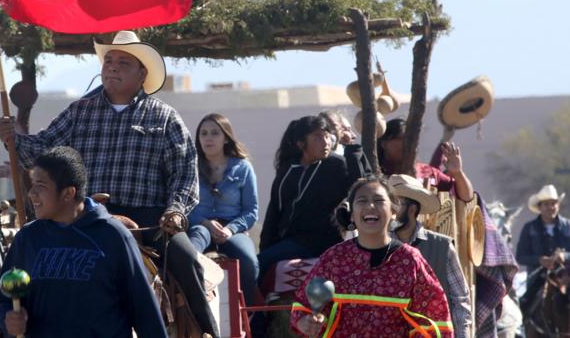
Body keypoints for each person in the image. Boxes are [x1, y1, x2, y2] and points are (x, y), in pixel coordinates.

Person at [0, 30, 217, 336]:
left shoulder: (165, 118)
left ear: (142, 74)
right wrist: (14, 139)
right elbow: (43, 150)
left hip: (150, 220)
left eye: (123, 62)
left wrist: (176, 211)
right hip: (88, 215)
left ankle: (207, 330)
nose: (112, 66)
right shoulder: (78, 112)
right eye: (109, 60)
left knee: (186, 259)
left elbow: (184, 173)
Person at [0, 146, 167, 338]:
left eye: (40, 186)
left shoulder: (114, 236)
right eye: (32, 185)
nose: (31, 193)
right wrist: (8, 320)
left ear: (68, 193)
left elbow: (144, 311)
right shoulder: (28, 238)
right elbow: (4, 298)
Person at [292, 176, 453, 337]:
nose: (370, 206)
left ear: (393, 213)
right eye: (362, 201)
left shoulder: (410, 260)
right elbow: (304, 306)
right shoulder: (334, 258)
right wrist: (306, 322)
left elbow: (434, 319)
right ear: (352, 215)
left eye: (378, 200)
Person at [258, 116, 361, 276]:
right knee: (256, 264)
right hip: (289, 241)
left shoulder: (336, 165)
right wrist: (266, 248)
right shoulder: (287, 170)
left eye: (327, 136)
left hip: (322, 241)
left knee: (260, 263)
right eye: (318, 137)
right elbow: (274, 212)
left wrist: (352, 149)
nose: (326, 141)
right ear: (301, 143)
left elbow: (359, 186)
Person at [187, 113, 259, 305]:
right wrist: (204, 223)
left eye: (214, 133)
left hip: (232, 228)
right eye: (203, 133)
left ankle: (249, 313)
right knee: (188, 253)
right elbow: (183, 205)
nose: (208, 138)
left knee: (249, 261)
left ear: (226, 137)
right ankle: (191, 305)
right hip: (200, 224)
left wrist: (230, 229)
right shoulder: (189, 167)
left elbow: (251, 211)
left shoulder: (243, 168)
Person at [389, 174, 472, 338]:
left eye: (396, 204)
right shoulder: (379, 246)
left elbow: (459, 300)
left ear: (412, 209)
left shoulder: (442, 247)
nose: (390, 211)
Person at [377, 118, 474, 202]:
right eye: (402, 138)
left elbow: (466, 197)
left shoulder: (429, 173)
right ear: (384, 144)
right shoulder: (374, 174)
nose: (408, 143)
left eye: (411, 139)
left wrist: (458, 173)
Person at [516, 184, 570, 314]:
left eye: (553, 203)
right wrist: (540, 260)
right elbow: (520, 256)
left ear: (558, 205)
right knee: (525, 304)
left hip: (566, 276)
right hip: (538, 278)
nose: (550, 207)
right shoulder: (529, 228)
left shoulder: (568, 226)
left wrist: (565, 256)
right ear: (539, 207)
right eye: (546, 204)